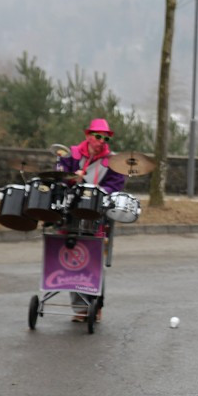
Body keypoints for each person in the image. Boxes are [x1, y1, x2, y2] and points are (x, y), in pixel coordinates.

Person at [55, 118, 127, 321]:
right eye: (98, 136)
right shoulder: (72, 154)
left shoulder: (112, 161)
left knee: (93, 258)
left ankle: (95, 306)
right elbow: (59, 174)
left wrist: (100, 191)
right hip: (72, 212)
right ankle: (80, 309)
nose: (101, 140)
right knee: (71, 256)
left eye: (105, 137)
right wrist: (71, 177)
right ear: (88, 136)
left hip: (97, 214)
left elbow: (116, 183)